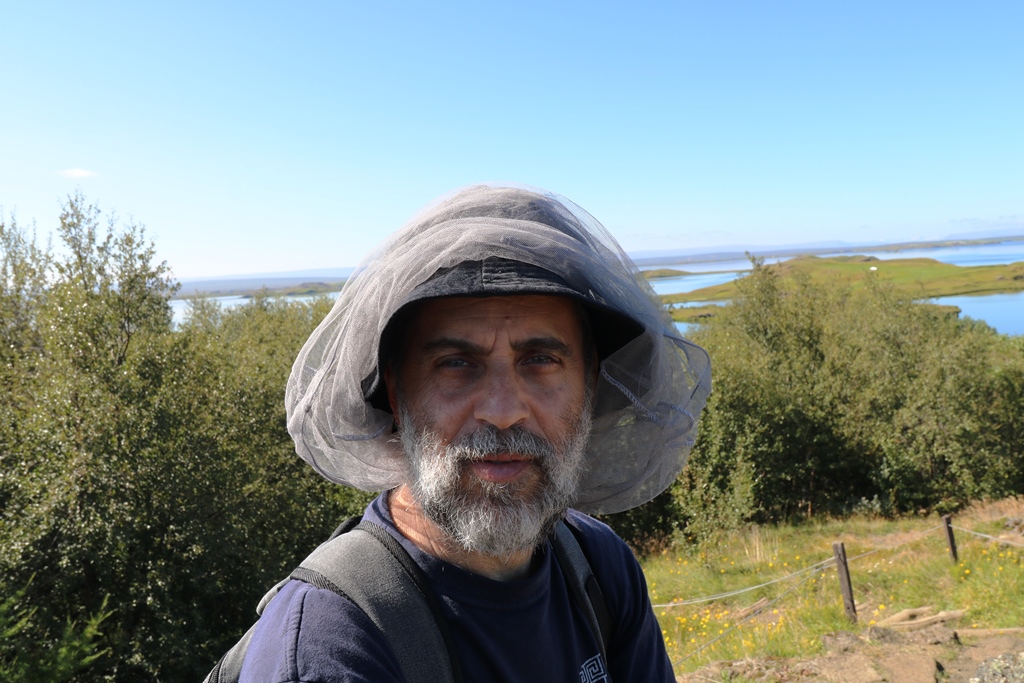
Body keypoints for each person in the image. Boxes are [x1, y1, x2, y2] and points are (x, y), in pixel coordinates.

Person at [242, 184, 711, 682]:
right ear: (397, 394)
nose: (503, 412)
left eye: (540, 359)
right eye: (457, 363)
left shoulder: (600, 566)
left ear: (589, 384)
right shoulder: (333, 645)